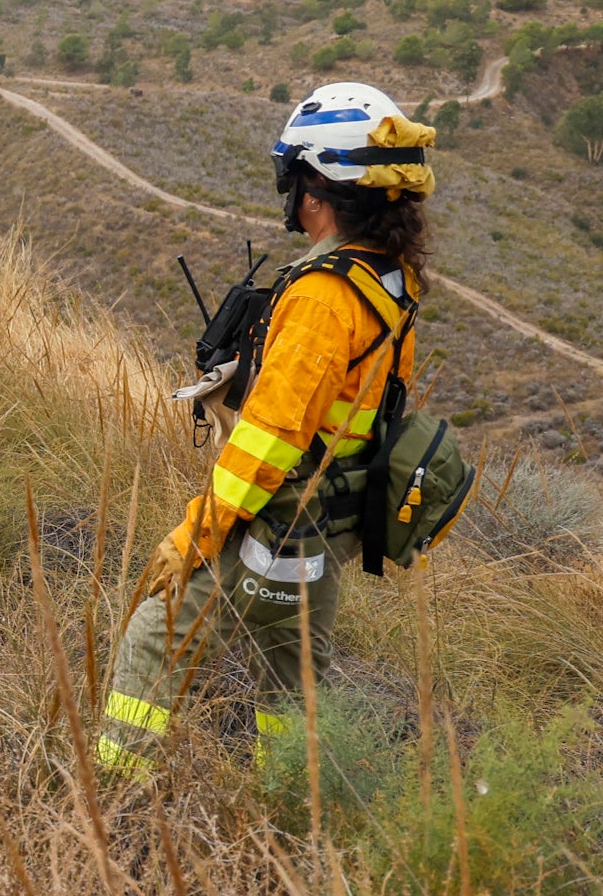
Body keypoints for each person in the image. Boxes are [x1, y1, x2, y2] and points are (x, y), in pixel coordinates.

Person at [96, 81, 440, 778]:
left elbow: (273, 439)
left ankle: (112, 800)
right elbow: (359, 402)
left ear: (316, 184)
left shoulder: (321, 294)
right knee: (292, 674)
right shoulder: (388, 277)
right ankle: (294, 798)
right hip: (331, 520)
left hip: (277, 517)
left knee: (153, 636)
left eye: (293, 173)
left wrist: (196, 534)